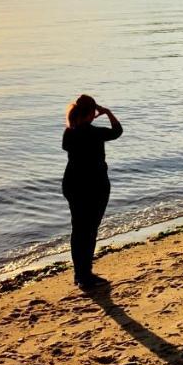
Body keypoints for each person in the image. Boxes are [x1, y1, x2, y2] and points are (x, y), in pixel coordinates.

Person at [61, 94, 123, 290]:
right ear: (92, 113)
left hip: (72, 184)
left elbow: (68, 144)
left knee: (78, 230)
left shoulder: (69, 133)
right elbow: (117, 131)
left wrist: (89, 117)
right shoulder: (95, 133)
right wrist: (108, 113)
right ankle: (85, 275)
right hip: (94, 185)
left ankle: (80, 274)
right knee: (89, 231)